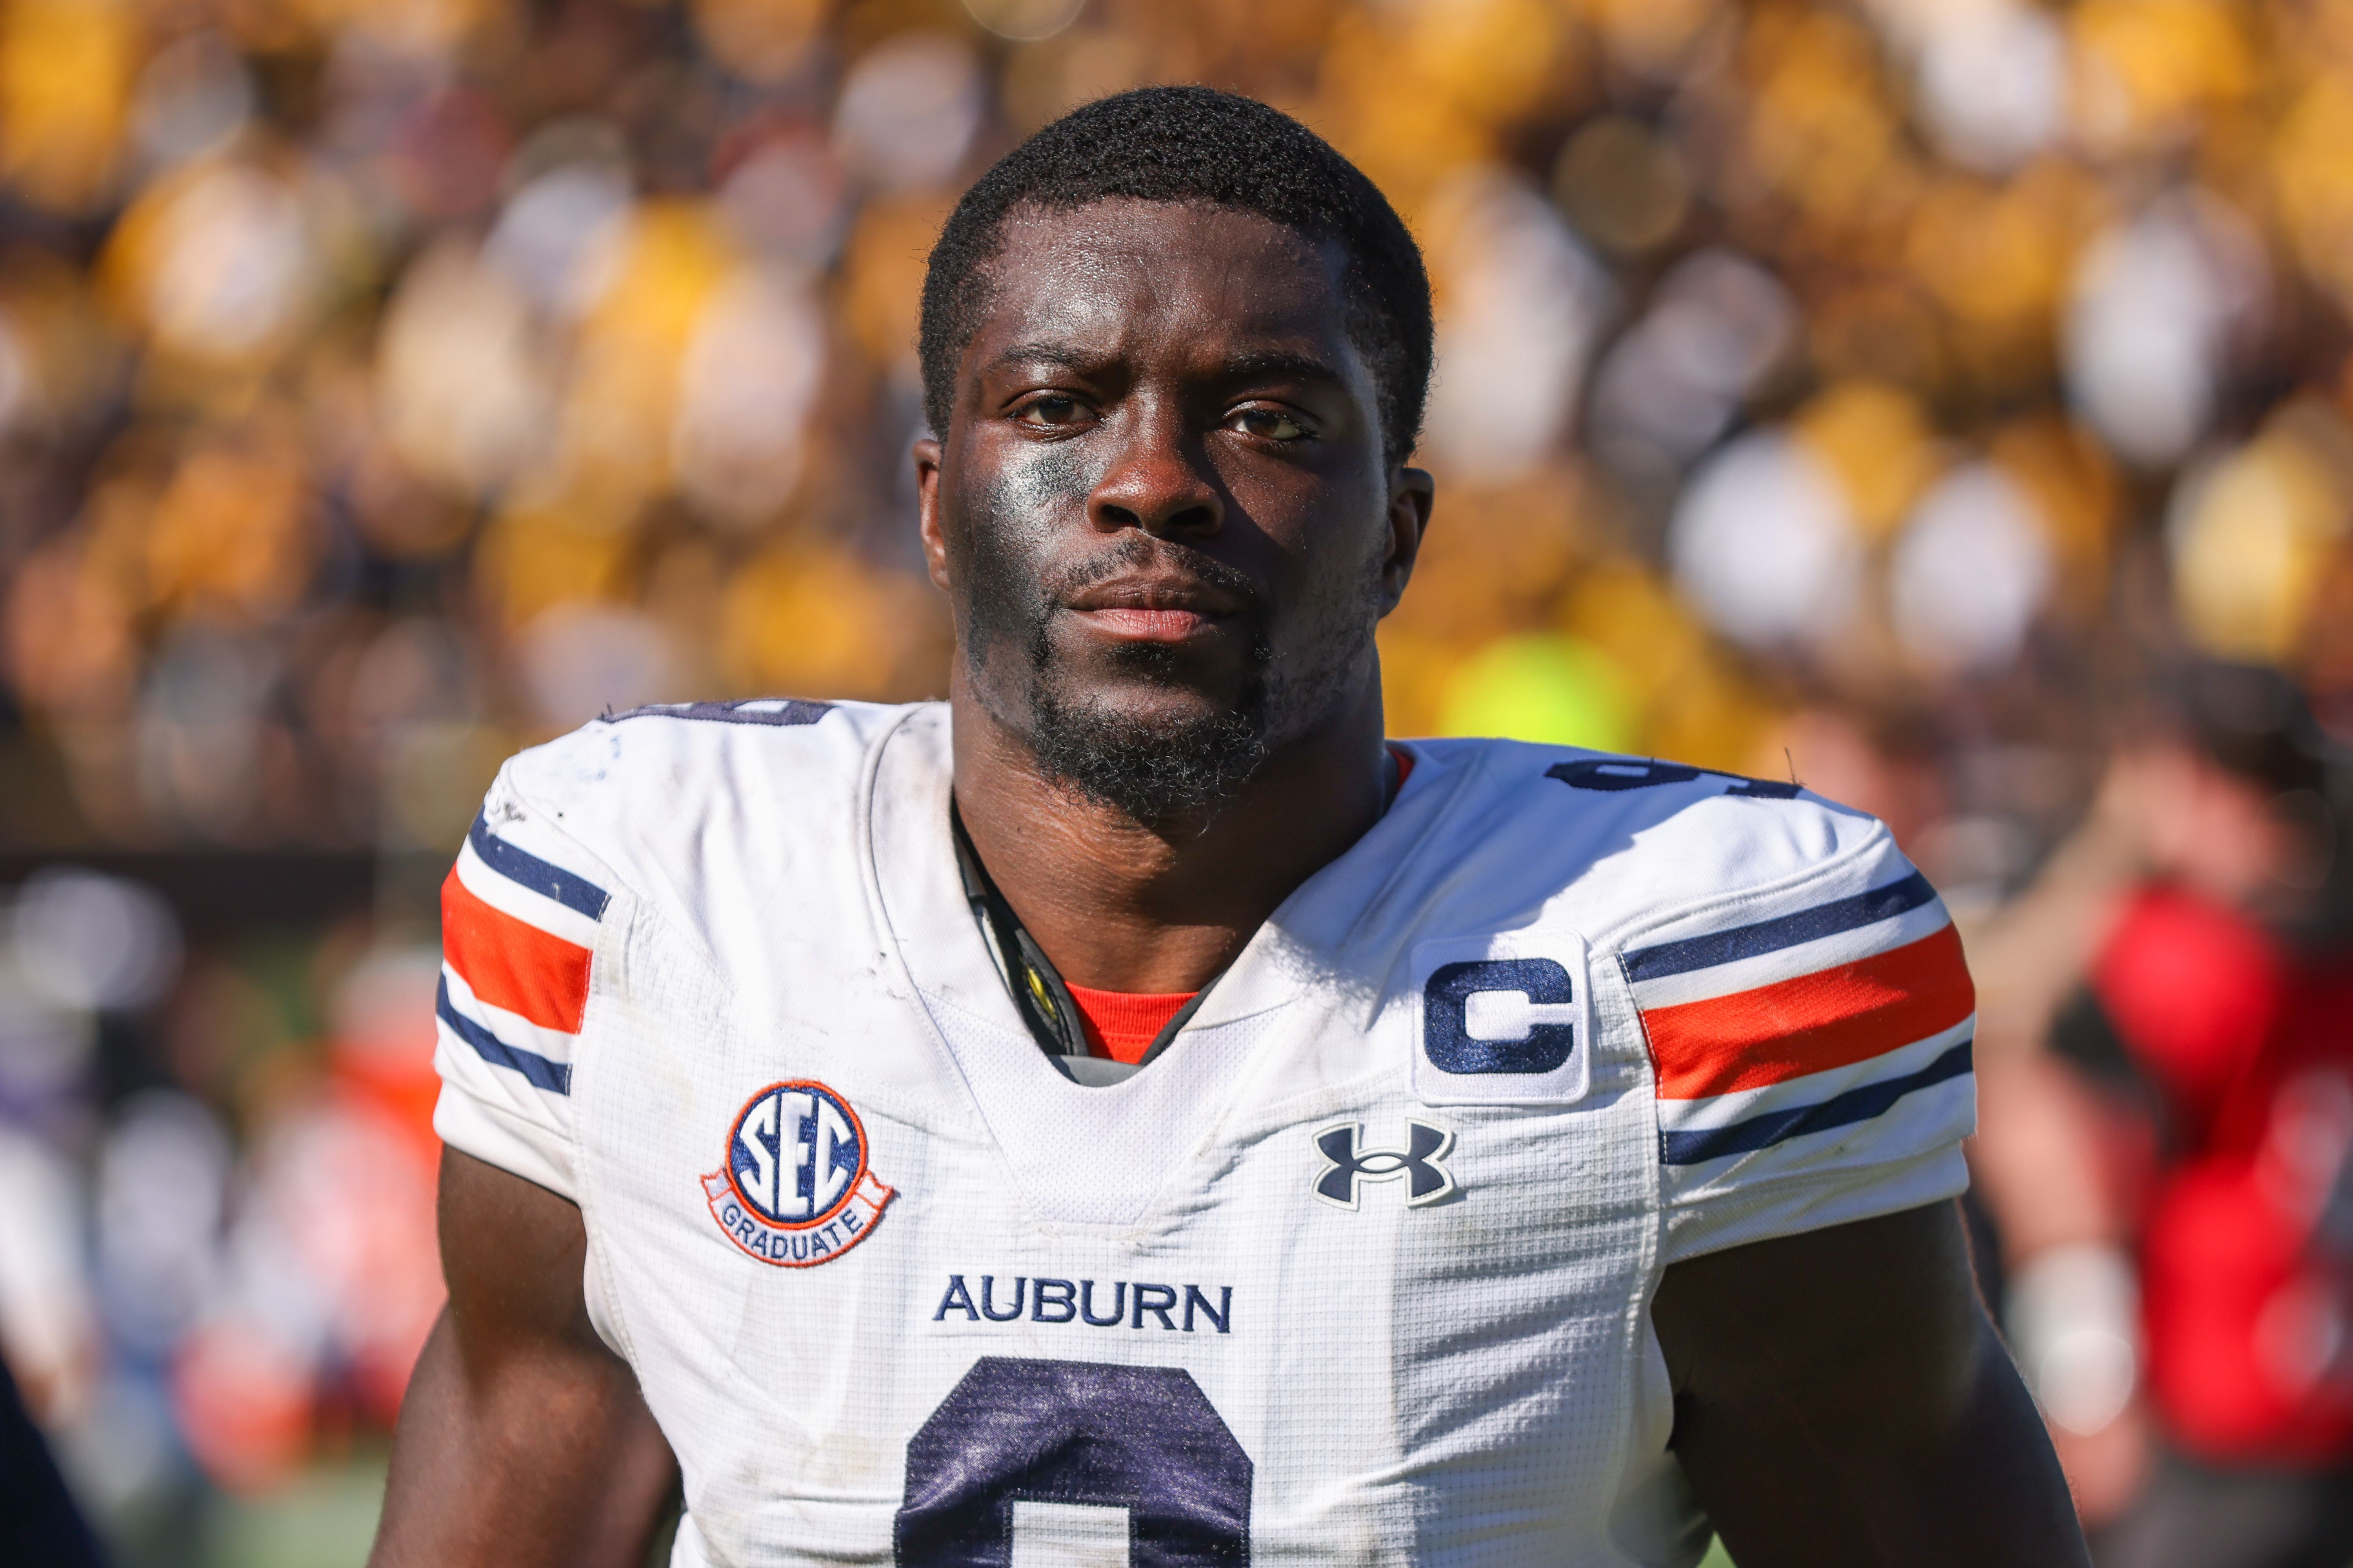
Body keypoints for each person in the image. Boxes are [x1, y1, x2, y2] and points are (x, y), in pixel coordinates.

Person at [369, 88, 2086, 1567]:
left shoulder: (1690, 969)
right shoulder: (654, 894)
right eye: (1059, 405)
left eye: (1267, 418)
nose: (1153, 482)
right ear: (937, 510)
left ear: (1399, 532)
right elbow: (525, 1433)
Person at [1976, 664, 2353, 1568]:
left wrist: (2121, 844)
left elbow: (1986, 1031)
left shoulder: (2188, 960)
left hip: (2233, 1429)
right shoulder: (2213, 953)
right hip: (2241, 1420)